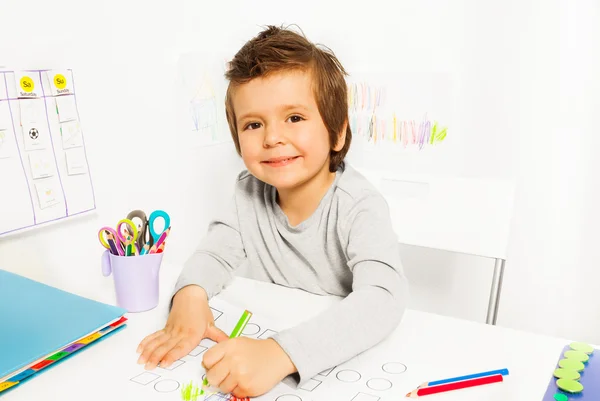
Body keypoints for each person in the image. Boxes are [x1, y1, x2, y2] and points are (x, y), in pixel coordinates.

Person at [136, 24, 409, 399]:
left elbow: (383, 299)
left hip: (337, 364)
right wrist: (190, 297)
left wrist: (281, 354)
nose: (272, 137)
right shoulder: (248, 193)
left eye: (294, 118)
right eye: (253, 124)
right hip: (273, 328)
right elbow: (215, 251)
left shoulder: (359, 205)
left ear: (338, 133)